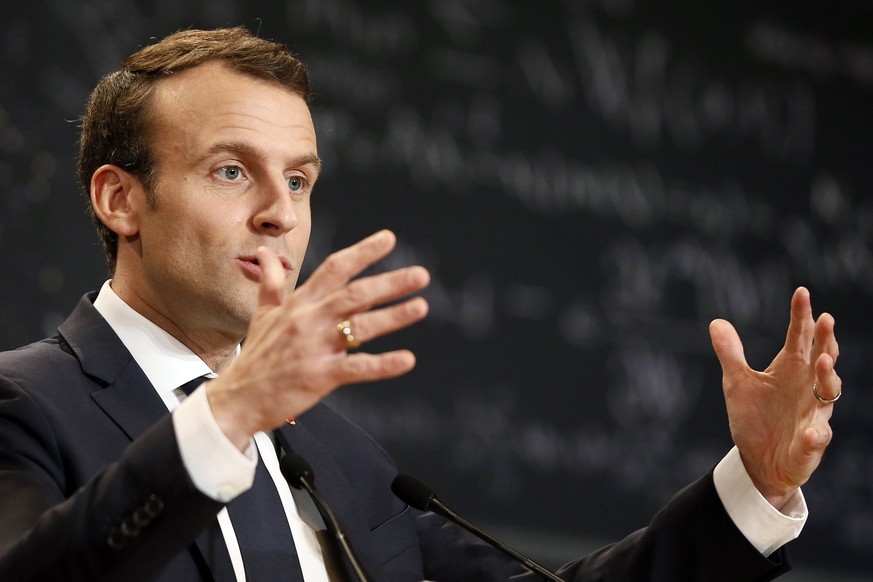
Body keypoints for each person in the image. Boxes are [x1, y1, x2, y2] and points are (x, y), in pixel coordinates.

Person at [0, 26, 842, 582]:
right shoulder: (26, 405)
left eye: (298, 179)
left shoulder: (335, 455)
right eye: (231, 170)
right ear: (120, 200)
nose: (281, 213)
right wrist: (227, 415)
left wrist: (755, 489)